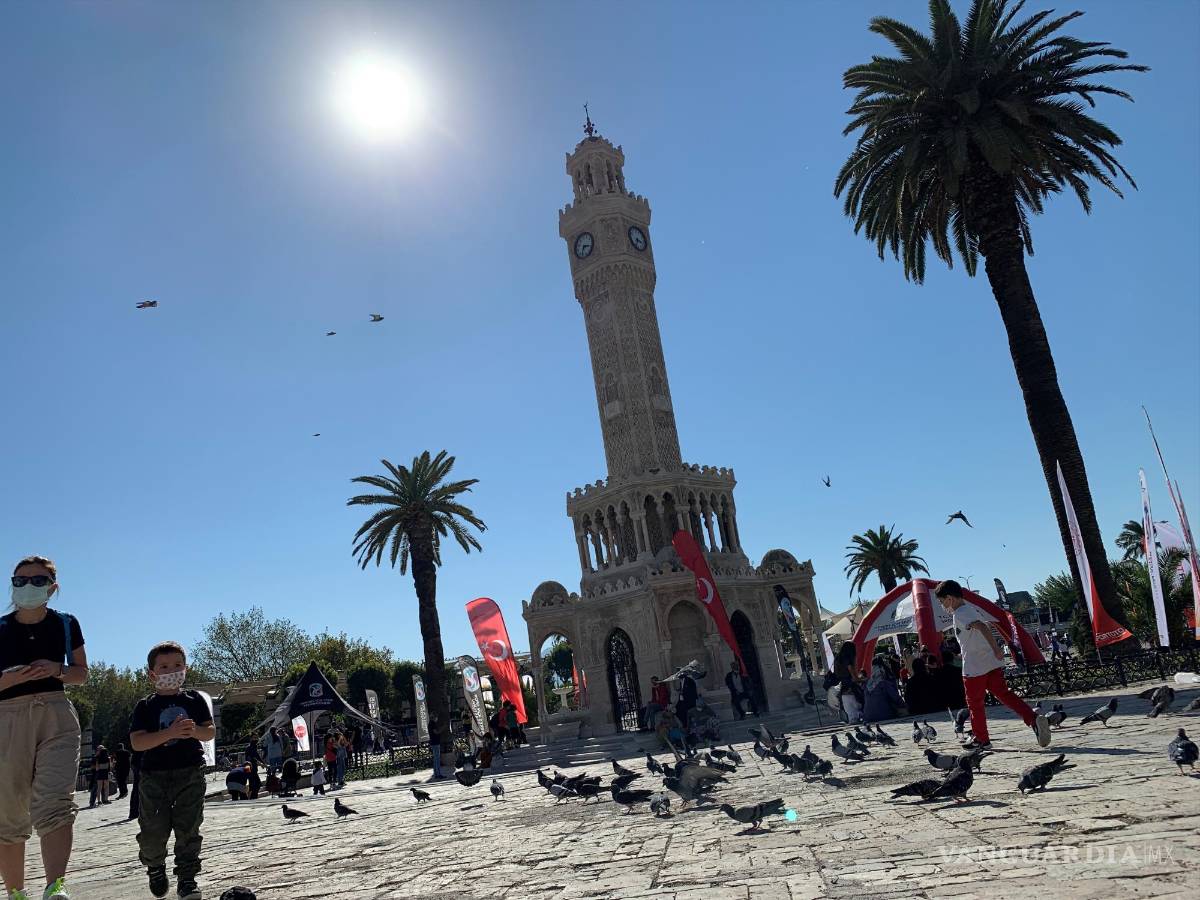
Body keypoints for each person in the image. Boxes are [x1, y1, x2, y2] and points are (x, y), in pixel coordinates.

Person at [0, 554, 87, 900]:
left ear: (52, 587)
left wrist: (57, 669)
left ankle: (55, 887)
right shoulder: (1, 629)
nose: (27, 587)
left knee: (56, 799)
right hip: (8, 716)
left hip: (55, 713)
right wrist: (11, 680)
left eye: (37, 581)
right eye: (20, 581)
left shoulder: (66, 623)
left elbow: (82, 673)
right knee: (8, 810)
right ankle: (16, 893)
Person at [129, 640, 214, 900]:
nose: (172, 671)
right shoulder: (145, 706)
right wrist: (169, 733)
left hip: (190, 772)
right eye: (164, 667)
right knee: (153, 831)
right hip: (154, 776)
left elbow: (209, 732)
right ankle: (155, 866)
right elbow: (137, 742)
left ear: (186, 669)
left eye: (177, 665)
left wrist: (193, 732)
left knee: (188, 827)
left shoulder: (195, 700)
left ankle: (187, 879)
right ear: (152, 674)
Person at [934, 580, 1050, 752]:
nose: (943, 606)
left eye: (942, 602)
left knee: (975, 704)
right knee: (1005, 695)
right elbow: (980, 630)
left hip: (974, 667)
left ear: (949, 598)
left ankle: (981, 739)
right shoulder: (972, 610)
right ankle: (1032, 719)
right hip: (990, 662)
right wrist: (992, 650)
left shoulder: (960, 613)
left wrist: (996, 648)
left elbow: (981, 627)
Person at [863, 656, 904, 723]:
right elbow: (896, 698)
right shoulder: (883, 683)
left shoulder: (866, 684)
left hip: (868, 717)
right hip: (884, 714)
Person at [833, 641, 865, 724]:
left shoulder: (837, 658)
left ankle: (853, 720)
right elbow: (851, 671)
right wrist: (859, 679)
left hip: (842, 687)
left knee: (850, 711)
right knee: (858, 704)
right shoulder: (847, 658)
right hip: (850, 686)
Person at [427, 714, 444, 780]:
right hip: (435, 742)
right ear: (434, 718)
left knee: (436, 759)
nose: (437, 718)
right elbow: (436, 732)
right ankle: (438, 774)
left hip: (433, 742)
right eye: (436, 717)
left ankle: (437, 773)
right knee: (437, 759)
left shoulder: (430, 723)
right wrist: (442, 729)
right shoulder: (432, 723)